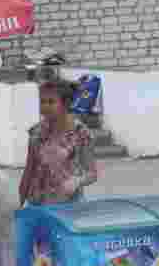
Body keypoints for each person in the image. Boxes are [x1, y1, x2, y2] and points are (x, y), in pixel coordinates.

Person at [19, 73, 99, 207]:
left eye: (51, 102)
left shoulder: (81, 134)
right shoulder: (36, 133)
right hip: (37, 204)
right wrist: (19, 204)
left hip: (69, 207)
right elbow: (29, 170)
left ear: (66, 103)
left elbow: (92, 173)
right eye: (42, 101)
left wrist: (77, 181)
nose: (44, 106)